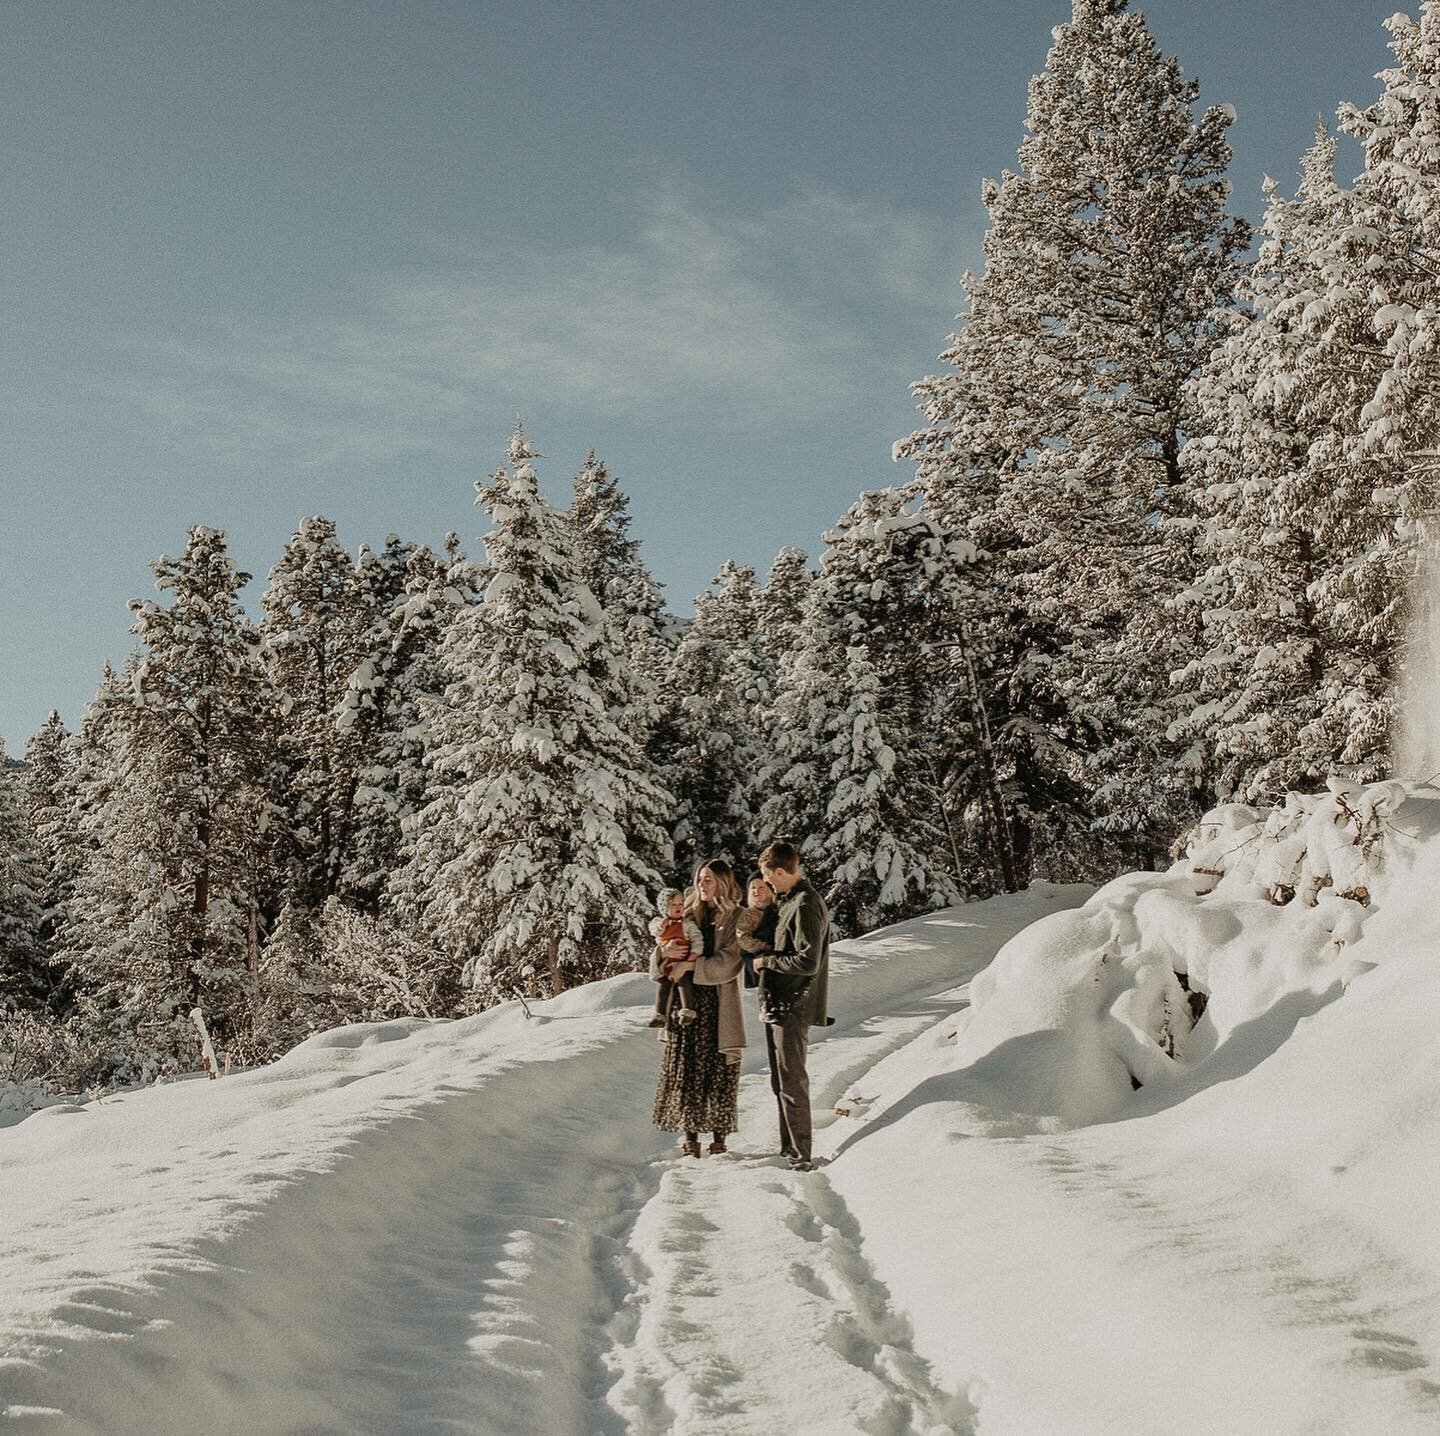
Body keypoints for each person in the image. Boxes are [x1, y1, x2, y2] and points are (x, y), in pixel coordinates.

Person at [650, 859, 748, 1158]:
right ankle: (690, 1137)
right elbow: (659, 963)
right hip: (684, 1002)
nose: (702, 885)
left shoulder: (736, 917)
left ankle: (719, 1139)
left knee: (718, 1070)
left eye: (709, 880)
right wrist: (663, 953)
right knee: (687, 1068)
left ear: (723, 882)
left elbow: (730, 961)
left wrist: (691, 965)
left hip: (717, 1002)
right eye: (700, 879)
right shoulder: (684, 912)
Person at [755, 840, 832, 1172]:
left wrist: (767, 962)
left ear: (782, 871)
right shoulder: (788, 902)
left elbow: (808, 960)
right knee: (780, 1081)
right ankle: (789, 1147)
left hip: (794, 1004)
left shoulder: (804, 905)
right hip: (778, 1004)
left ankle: (802, 1155)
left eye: (769, 878)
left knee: (792, 1080)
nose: (768, 885)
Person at [647, 887, 703, 1028]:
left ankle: (687, 1011)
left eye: (680, 904)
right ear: (664, 908)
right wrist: (661, 925)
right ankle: (660, 1014)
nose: (678, 907)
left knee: (685, 983)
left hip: (683, 961)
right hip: (666, 963)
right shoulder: (659, 922)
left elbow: (697, 938)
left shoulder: (687, 925)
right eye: (673, 905)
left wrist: (694, 953)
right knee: (664, 986)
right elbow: (653, 931)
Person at [735, 873, 780, 1011]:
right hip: (757, 955)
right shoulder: (749, 914)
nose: (756, 891)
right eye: (753, 888)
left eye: (761, 887)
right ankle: (767, 1004)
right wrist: (762, 946)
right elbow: (742, 937)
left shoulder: (777, 909)